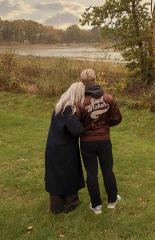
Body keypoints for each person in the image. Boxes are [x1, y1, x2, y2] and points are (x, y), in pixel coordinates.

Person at [77, 69, 122, 214]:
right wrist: (105, 126)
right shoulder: (108, 98)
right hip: (104, 140)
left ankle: (96, 205)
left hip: (87, 143)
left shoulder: (79, 102)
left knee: (91, 173)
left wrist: (87, 129)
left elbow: (76, 124)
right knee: (107, 170)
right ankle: (112, 200)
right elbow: (117, 118)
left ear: (82, 82)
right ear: (95, 80)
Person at [44, 82, 86, 214]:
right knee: (69, 173)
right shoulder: (68, 109)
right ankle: (71, 203)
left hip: (53, 145)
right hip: (65, 148)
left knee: (55, 175)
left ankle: (56, 205)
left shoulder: (60, 105)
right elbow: (77, 129)